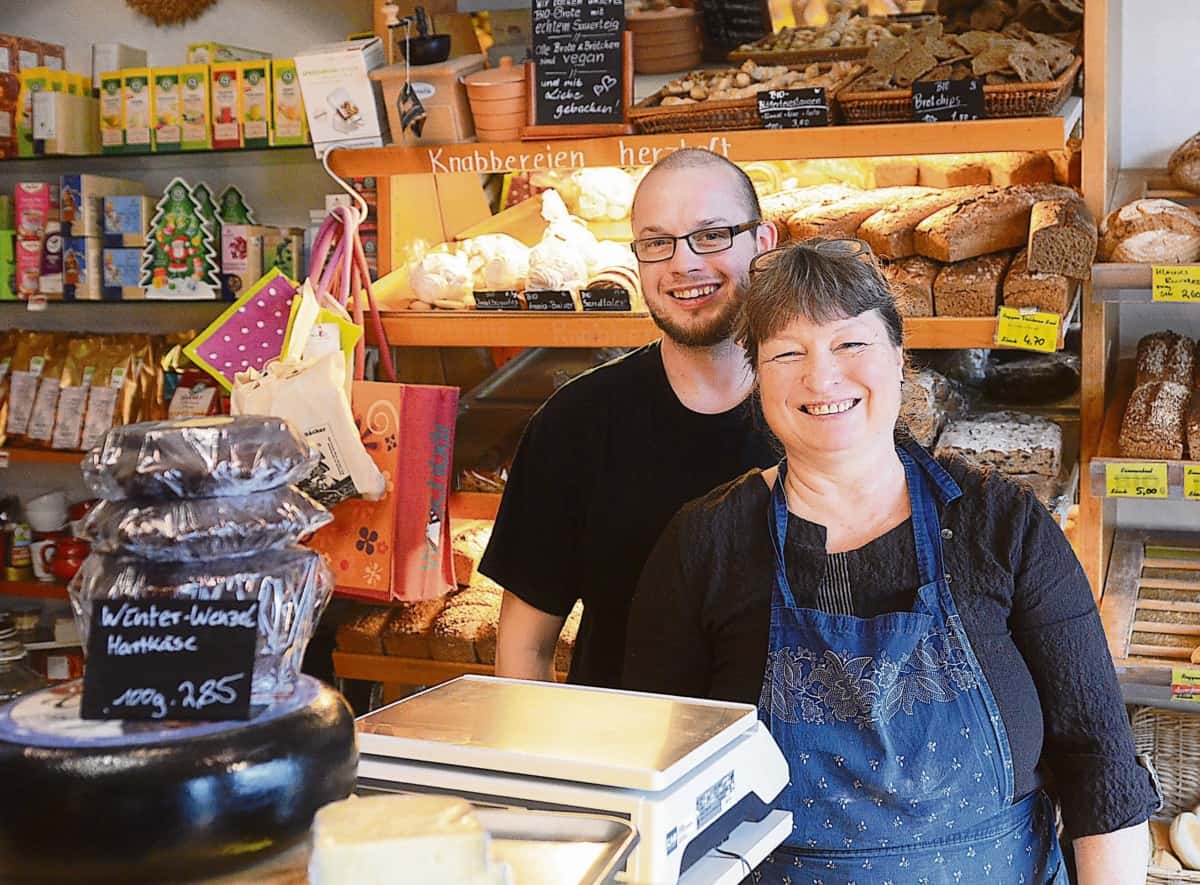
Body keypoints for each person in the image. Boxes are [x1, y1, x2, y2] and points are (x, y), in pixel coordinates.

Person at [623, 238, 1158, 883]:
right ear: (757, 378)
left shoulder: (1003, 527)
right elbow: (654, 783)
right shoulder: (704, 543)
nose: (821, 378)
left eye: (851, 345)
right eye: (787, 353)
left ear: (900, 358)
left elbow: (1099, 759)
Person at [478, 148, 779, 687]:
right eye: (658, 243)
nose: (684, 264)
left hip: (794, 763)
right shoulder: (575, 425)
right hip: (623, 758)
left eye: (711, 235)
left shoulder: (823, 410)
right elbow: (524, 653)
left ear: (763, 243)